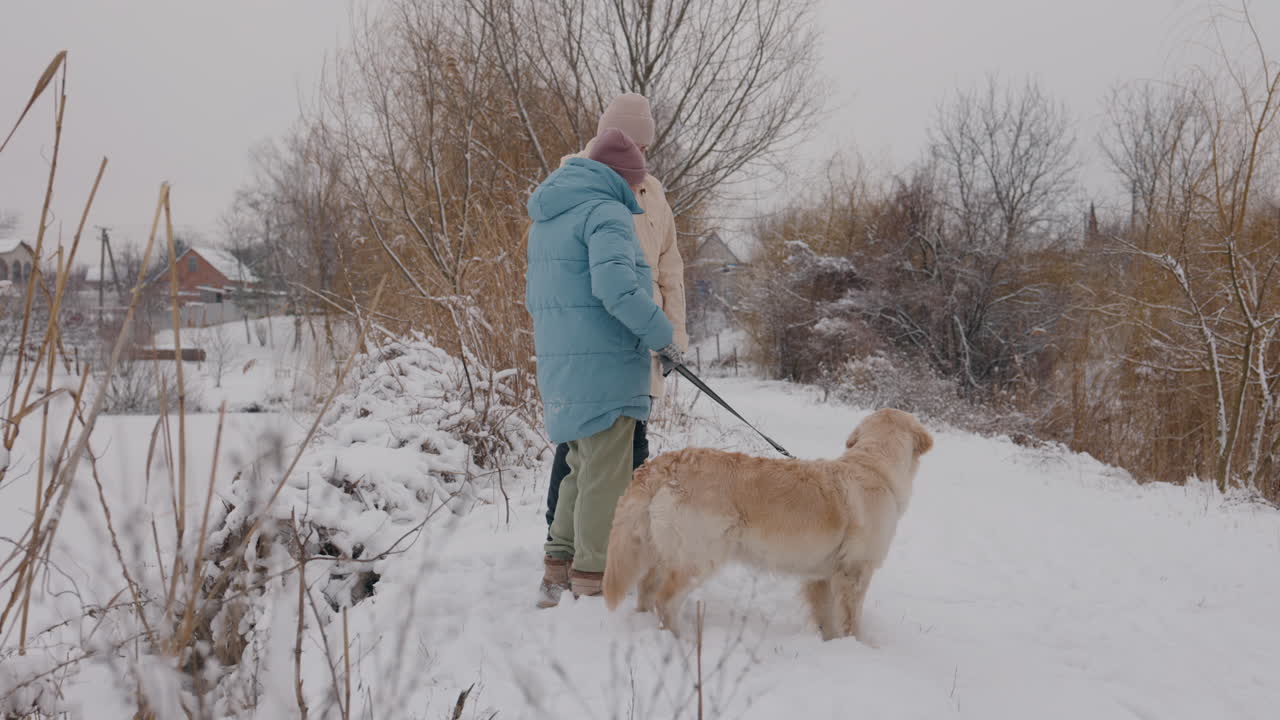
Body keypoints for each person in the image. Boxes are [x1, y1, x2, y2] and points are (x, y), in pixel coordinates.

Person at [526, 127, 685, 607]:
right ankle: (593, 576)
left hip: (564, 364)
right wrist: (664, 338)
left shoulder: (551, 214)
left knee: (579, 465)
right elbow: (617, 289)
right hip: (606, 364)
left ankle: (559, 565)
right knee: (608, 475)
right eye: (636, 183)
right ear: (622, 177)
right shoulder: (606, 211)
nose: (638, 192)